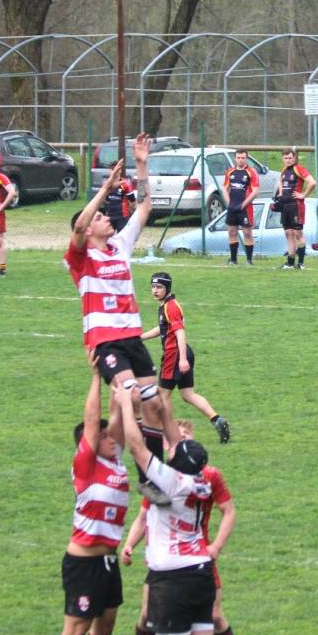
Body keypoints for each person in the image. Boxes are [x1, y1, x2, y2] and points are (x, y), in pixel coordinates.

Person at [65, 134, 177, 505]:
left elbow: (145, 205)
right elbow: (80, 227)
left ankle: (153, 477)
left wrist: (142, 164)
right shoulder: (81, 259)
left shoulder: (121, 245)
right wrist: (104, 189)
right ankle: (118, 465)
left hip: (131, 339)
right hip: (107, 342)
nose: (106, 218)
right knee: (128, 396)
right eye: (100, 216)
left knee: (155, 405)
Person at [114, 385, 217, 635]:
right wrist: (164, 410)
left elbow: (137, 449)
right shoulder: (202, 482)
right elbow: (174, 444)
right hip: (201, 572)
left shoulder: (171, 483)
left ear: (179, 462)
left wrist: (128, 406)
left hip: (172, 578)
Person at [123, 420, 237, 635]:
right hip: (197, 564)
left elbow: (139, 458)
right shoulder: (200, 481)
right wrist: (130, 544)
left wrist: (132, 409)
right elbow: (144, 515)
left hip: (174, 569)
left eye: (185, 437)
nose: (181, 440)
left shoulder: (168, 482)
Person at [50, 360, 129, 635]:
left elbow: (113, 416)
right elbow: (94, 422)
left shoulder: (115, 461)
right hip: (83, 564)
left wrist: (115, 374)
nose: (110, 439)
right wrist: (96, 377)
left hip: (108, 563)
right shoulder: (86, 467)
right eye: (103, 437)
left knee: (105, 627)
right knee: (75, 632)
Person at [141, 271, 231, 444]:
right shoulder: (166, 305)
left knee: (163, 396)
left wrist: (182, 359)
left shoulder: (171, 306)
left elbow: (180, 332)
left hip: (174, 355)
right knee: (187, 394)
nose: (155, 290)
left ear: (167, 288)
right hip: (180, 354)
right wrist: (142, 337)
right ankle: (217, 420)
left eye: (159, 287)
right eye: (153, 287)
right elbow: (164, 328)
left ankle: (166, 435)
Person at [273, 147, 316, 269]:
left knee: (297, 234)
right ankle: (290, 263)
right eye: (285, 158)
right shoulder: (284, 170)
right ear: (283, 158)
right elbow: (281, 182)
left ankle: (301, 263)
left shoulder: (299, 169)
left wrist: (303, 195)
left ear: (294, 158)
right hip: (285, 206)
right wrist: (280, 195)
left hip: (296, 206)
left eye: (290, 158)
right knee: (288, 233)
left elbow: (312, 182)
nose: (288, 160)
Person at [222, 149, 260, 266]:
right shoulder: (230, 172)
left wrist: (244, 204)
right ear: (235, 158)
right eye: (238, 157)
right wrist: (229, 203)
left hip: (245, 208)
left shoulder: (251, 172)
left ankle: (249, 260)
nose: (240, 160)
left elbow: (256, 191)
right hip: (232, 207)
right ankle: (233, 260)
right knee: (232, 232)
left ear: (246, 158)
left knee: (247, 232)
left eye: (243, 158)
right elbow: (224, 188)